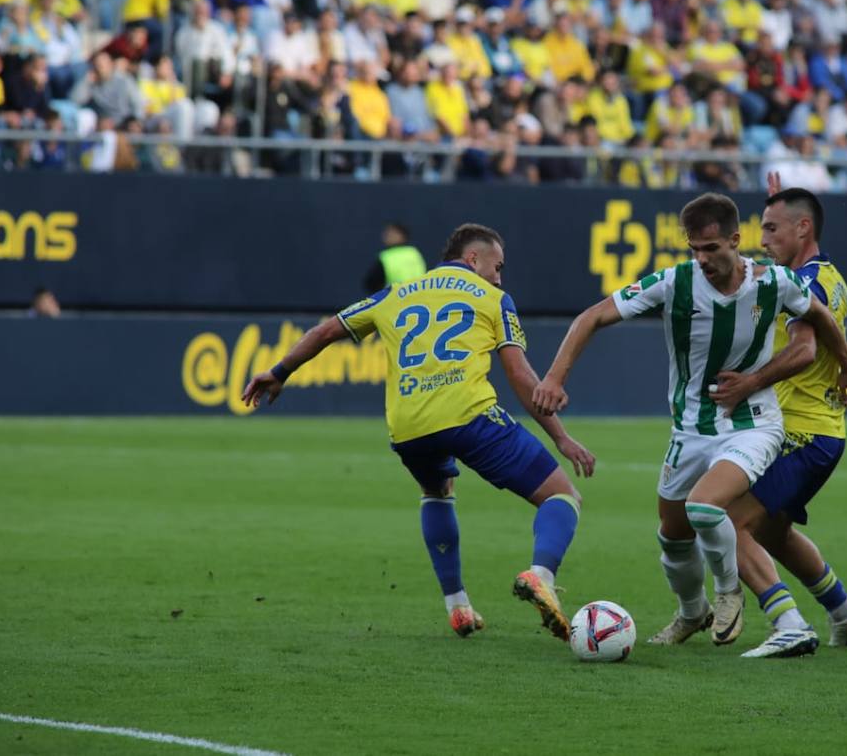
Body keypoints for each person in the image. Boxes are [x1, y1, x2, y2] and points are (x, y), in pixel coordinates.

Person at [533, 194, 847, 648]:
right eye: (694, 249)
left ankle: (730, 593)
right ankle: (692, 612)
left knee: (707, 507)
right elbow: (593, 316)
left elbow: (818, 316)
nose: (702, 259)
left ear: (734, 240)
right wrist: (554, 376)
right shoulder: (674, 283)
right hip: (690, 429)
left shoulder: (774, 281)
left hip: (753, 424)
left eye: (711, 248)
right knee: (672, 534)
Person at [243, 224, 596, 641]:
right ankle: (541, 577)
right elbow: (519, 375)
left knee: (437, 491)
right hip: (469, 417)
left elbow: (325, 332)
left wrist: (279, 371)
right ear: (473, 260)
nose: (500, 276)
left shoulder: (395, 293)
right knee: (561, 497)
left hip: (409, 427)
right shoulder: (493, 298)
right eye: (497, 265)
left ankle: (458, 606)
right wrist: (560, 436)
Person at [721, 177, 847, 658]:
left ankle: (786, 621)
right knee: (772, 531)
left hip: (803, 432)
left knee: (724, 520)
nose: (762, 239)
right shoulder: (825, 277)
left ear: (803, 228)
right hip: (817, 433)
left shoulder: (806, 282)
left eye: (771, 229)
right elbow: (828, 337)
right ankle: (843, 609)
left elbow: (804, 350)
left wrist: (750, 383)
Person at [362, 221, 427, 293]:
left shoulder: (387, 256)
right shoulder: (414, 253)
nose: (387, 236)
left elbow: (371, 283)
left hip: (394, 299)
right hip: (417, 297)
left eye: (391, 234)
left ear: (402, 235)